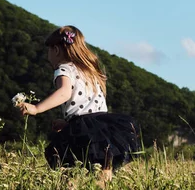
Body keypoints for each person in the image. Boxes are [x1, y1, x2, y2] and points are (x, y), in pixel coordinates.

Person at [17, 25, 140, 176]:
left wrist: (37, 108)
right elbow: (87, 105)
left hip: (86, 125)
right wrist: (69, 124)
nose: (48, 55)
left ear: (56, 50)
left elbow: (64, 93)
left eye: (48, 50)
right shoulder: (90, 71)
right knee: (103, 164)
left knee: (64, 162)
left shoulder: (63, 69)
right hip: (102, 124)